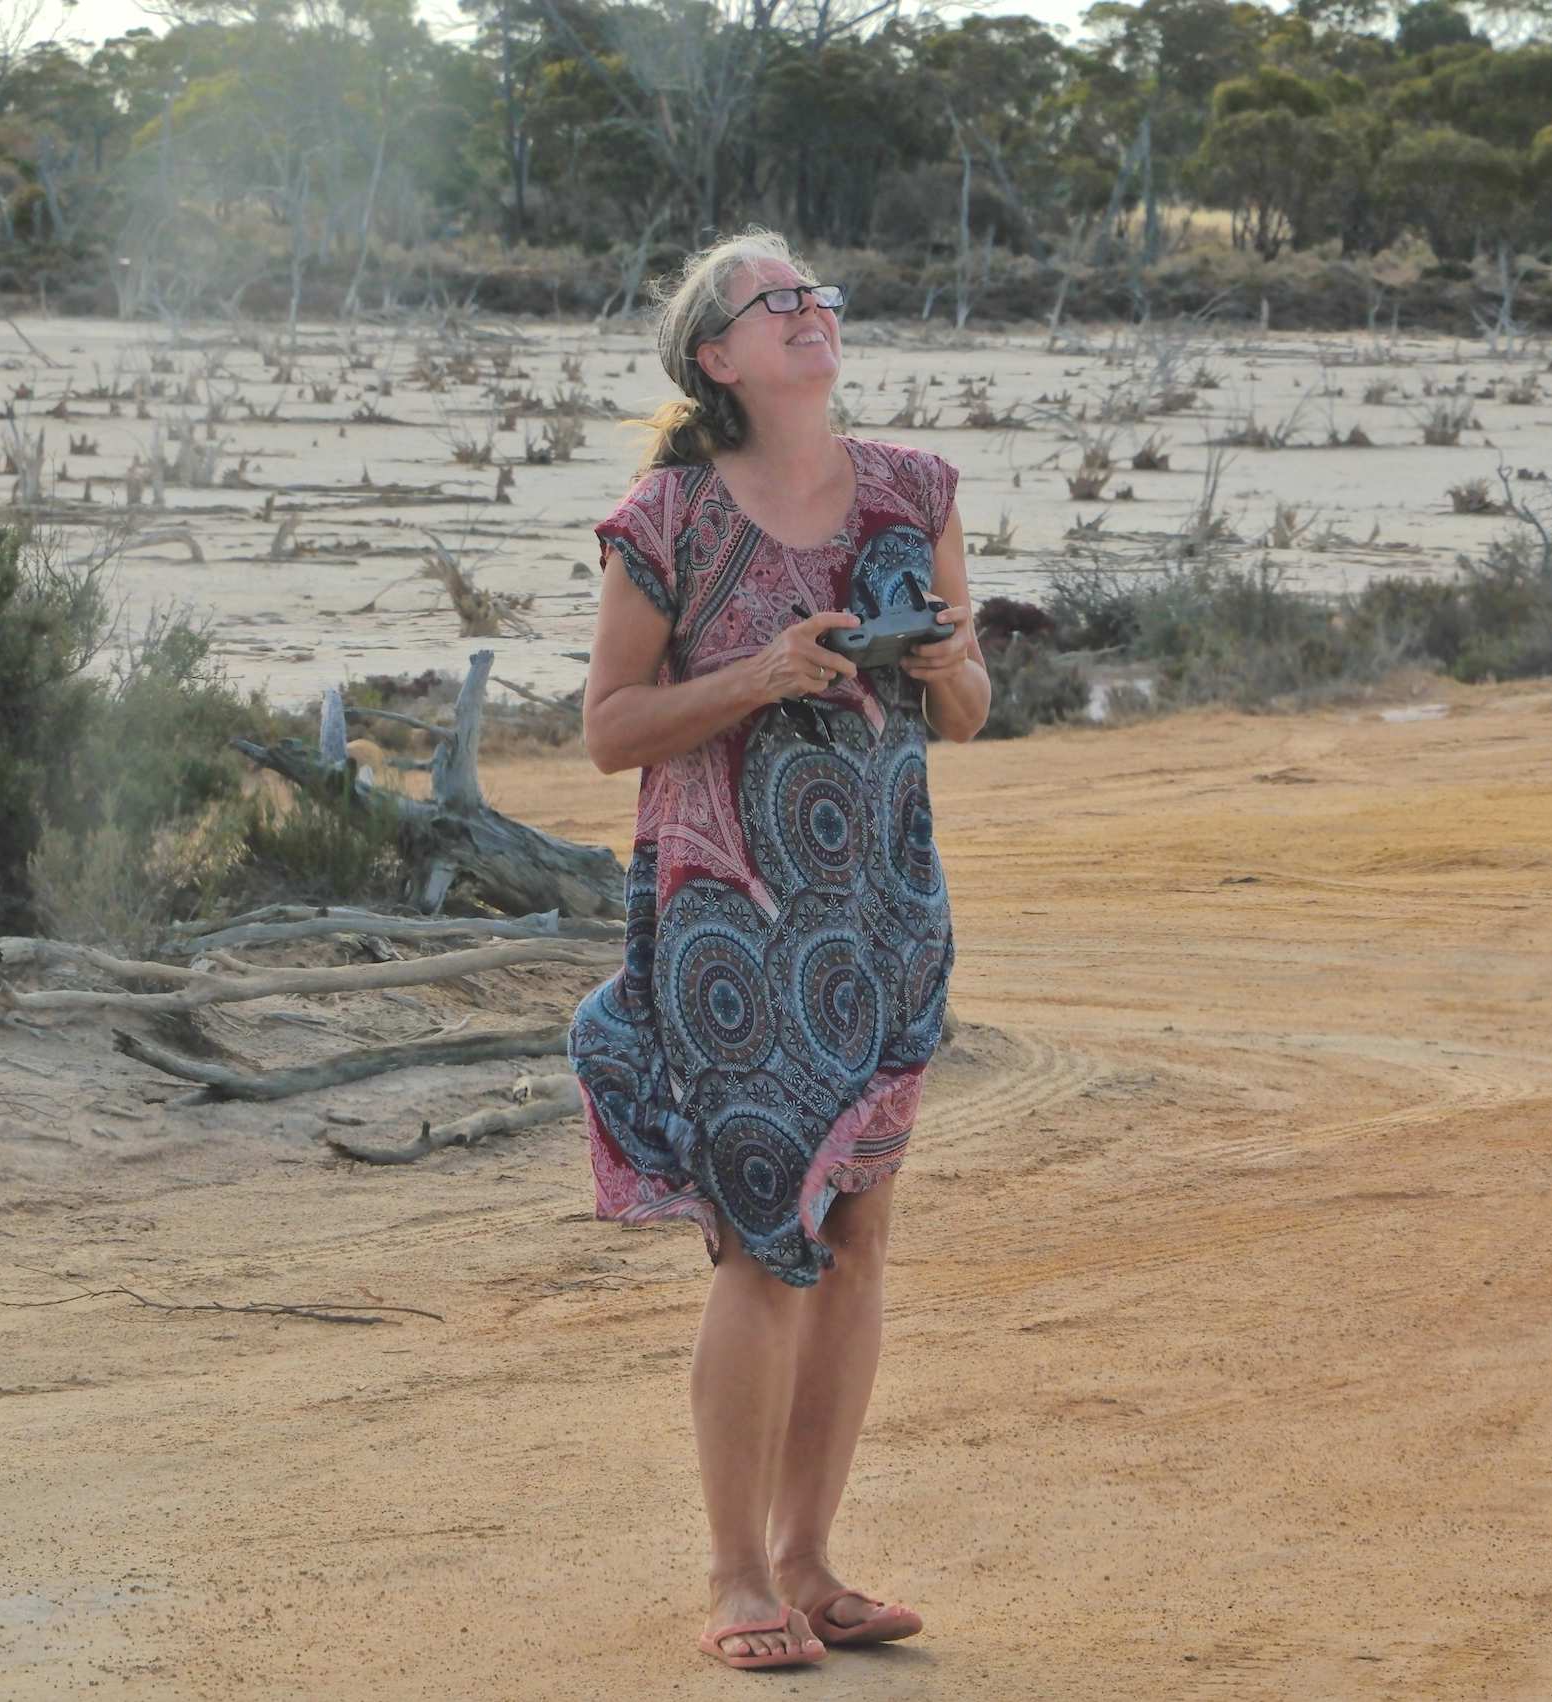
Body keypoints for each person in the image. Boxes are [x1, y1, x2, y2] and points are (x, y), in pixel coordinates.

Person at [565, 227, 991, 1672]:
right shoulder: (670, 515)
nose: (812, 312)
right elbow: (607, 729)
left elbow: (971, 711)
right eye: (777, 301)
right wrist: (760, 674)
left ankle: (811, 1562)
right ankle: (737, 1575)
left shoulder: (915, 491)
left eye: (817, 294)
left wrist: (942, 663)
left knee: (858, 1241)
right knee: (763, 1240)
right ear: (719, 358)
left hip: (883, 917)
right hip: (728, 934)